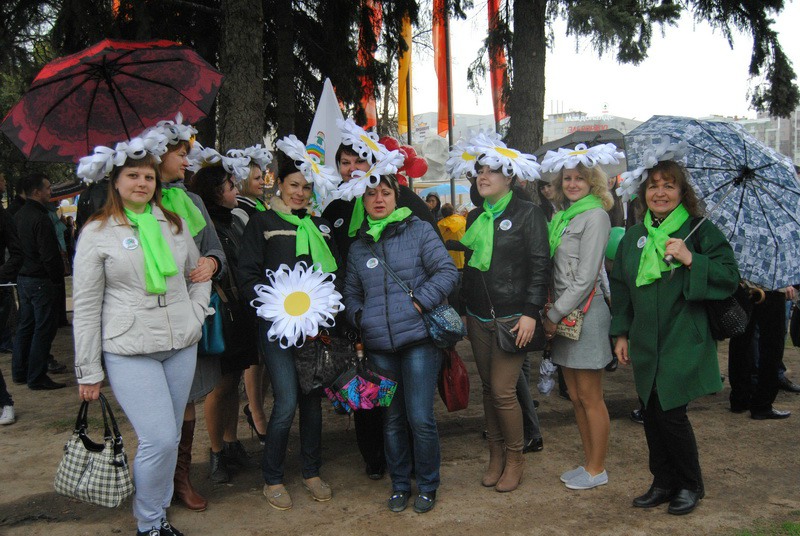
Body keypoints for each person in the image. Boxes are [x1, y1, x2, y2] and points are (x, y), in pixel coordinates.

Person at [73, 145, 211, 536]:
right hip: (130, 349)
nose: (142, 183)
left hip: (180, 344)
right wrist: (88, 370)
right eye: (133, 175)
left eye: (148, 176)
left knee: (169, 438)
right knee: (160, 438)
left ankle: (158, 514)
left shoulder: (173, 224)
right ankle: (149, 523)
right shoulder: (97, 233)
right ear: (115, 182)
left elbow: (198, 273)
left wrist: (195, 312)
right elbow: (86, 306)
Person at [610, 159, 739, 515]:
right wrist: (621, 333)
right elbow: (621, 286)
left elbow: (729, 276)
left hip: (683, 337)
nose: (660, 192)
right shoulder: (635, 236)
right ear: (643, 193)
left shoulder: (700, 230)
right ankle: (663, 482)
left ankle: (690, 484)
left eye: (669, 185)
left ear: (683, 192)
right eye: (653, 185)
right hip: (645, 341)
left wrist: (691, 258)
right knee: (651, 412)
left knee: (670, 412)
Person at [322, 120, 440, 481]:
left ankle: (414, 465)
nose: (352, 169)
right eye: (345, 163)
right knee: (367, 394)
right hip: (359, 321)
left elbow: (436, 262)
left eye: (359, 161)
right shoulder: (336, 209)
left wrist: (420, 305)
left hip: (409, 323)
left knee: (408, 404)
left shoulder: (406, 202)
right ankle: (374, 457)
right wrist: (355, 315)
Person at [343, 173, 458, 514]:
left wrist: (419, 302)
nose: (379, 199)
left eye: (385, 193)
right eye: (371, 194)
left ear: (396, 197)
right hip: (380, 346)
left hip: (419, 340)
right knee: (392, 420)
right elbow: (351, 293)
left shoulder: (419, 230)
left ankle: (428, 484)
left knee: (420, 418)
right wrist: (361, 317)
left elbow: (447, 272)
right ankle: (399, 485)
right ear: (363, 202)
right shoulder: (359, 247)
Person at [238, 151, 340, 511]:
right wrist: (274, 307)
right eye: (294, 185)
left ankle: (311, 472)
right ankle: (273, 477)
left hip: (314, 327)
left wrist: (326, 309)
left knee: (312, 400)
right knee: (286, 401)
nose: (300, 192)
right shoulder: (262, 222)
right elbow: (247, 274)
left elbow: (334, 274)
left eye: (307, 187)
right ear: (279, 184)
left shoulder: (320, 225)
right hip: (276, 328)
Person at [459, 137, 549, 494]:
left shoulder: (529, 214)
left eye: (491, 171)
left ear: (509, 177)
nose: (483, 176)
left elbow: (540, 266)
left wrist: (531, 313)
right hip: (478, 316)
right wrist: (465, 311)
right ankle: (495, 456)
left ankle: (515, 458)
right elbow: (470, 269)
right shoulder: (475, 216)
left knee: (502, 390)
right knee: (487, 389)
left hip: (514, 318)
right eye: (479, 171)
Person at [154, 120, 227, 513]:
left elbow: (215, 249)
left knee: (184, 401)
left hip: (188, 315)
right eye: (181, 154)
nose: (187, 162)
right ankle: (156, 483)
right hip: (147, 321)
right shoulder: (131, 200)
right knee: (153, 408)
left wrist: (212, 263)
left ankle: (180, 479)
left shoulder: (193, 202)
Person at [543, 161, 613, 491]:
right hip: (564, 313)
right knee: (574, 395)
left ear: (593, 182)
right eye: (567, 178)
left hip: (583, 313)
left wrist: (553, 315)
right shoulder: (564, 216)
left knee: (590, 396)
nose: (572, 184)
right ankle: (589, 463)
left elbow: (585, 279)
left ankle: (597, 468)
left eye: (579, 178)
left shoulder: (596, 216)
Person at [190, 163, 260, 483]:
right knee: (218, 387)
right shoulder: (206, 227)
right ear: (216, 192)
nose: (235, 190)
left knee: (232, 383)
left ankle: (232, 443)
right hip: (220, 314)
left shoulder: (233, 221)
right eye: (230, 186)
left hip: (239, 311)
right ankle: (216, 451)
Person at [11, 173, 66, 390]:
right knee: (43, 329)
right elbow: (49, 255)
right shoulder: (39, 218)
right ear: (37, 192)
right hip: (39, 280)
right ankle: (36, 376)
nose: (50, 191)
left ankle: (20, 371)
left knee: (27, 326)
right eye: (48, 188)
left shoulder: (19, 215)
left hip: (24, 278)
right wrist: (56, 279)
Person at [230, 160, 269, 443]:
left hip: (269, 288)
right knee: (255, 359)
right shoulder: (241, 211)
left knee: (264, 358)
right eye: (256, 178)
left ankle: (256, 408)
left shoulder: (258, 206)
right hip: (254, 290)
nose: (262, 182)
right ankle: (256, 412)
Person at [728, 284, 793, 419]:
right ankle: (762, 404)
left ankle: (739, 399)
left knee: (741, 340)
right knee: (772, 344)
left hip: (744, 285)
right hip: (772, 288)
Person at [437, 203, 465, 269]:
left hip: (448, 260)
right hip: (462, 257)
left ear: (442, 213)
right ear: (453, 211)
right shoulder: (462, 220)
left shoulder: (440, 225)